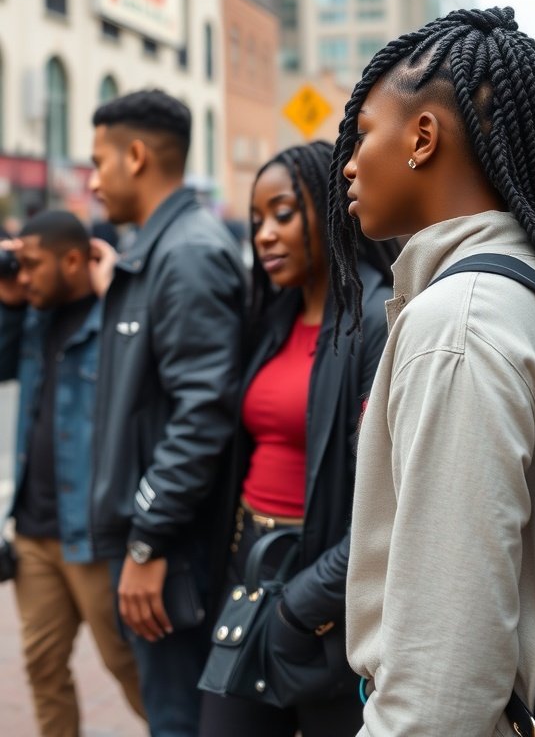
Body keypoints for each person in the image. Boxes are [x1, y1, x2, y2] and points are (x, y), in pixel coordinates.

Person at [326, 5, 535, 737]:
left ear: (423, 138)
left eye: (364, 133)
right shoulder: (533, 287)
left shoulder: (459, 325)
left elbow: (444, 680)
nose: (347, 160)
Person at [200, 140, 400, 737]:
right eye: (257, 219)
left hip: (322, 593)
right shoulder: (272, 315)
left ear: (330, 206)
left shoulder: (376, 317)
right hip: (249, 572)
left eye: (283, 214)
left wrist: (300, 605)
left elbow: (383, 501)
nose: (264, 234)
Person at [88, 89, 246, 737]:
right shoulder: (159, 252)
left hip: (173, 557)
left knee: (178, 722)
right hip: (161, 548)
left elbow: (203, 412)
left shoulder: (186, 254)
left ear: (136, 156)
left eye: (99, 162)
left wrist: (149, 539)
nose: (92, 180)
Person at [0, 210, 144, 737]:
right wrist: (10, 302)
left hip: (94, 537)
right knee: (42, 668)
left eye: (32, 265)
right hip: (35, 536)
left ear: (74, 260)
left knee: (128, 667)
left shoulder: (114, 316)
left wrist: (114, 294)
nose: (25, 275)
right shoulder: (35, 314)